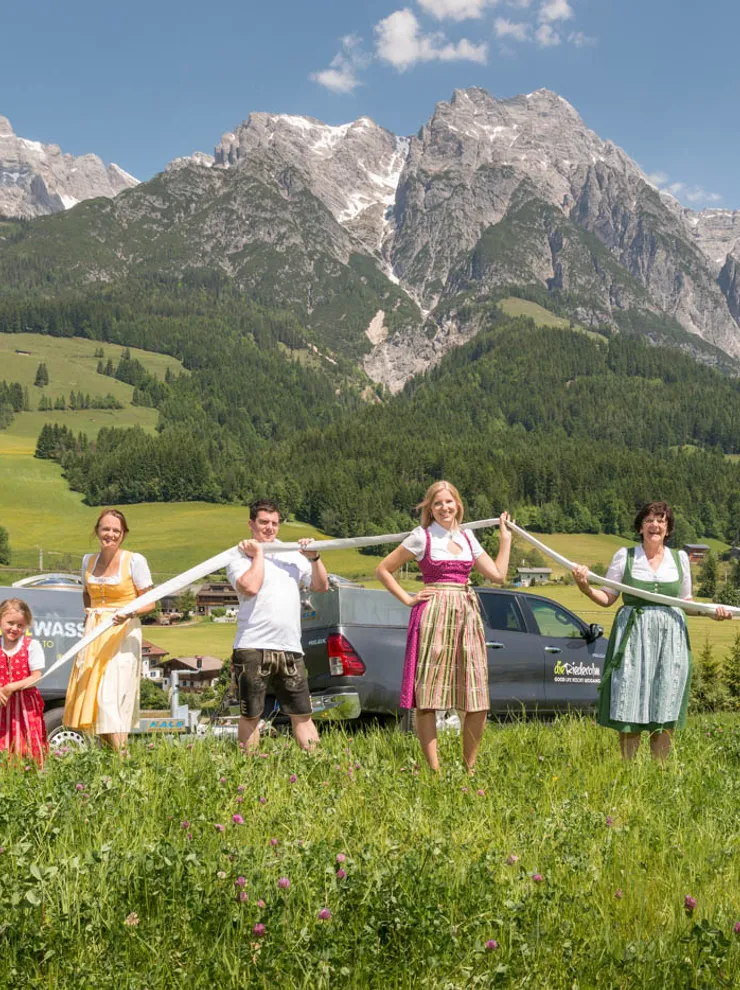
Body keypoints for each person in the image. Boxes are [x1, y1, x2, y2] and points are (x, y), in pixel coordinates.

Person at [573, 501, 732, 761]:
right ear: (640, 527)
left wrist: (713, 612)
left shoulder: (679, 559)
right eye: (649, 520)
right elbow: (608, 597)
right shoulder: (626, 556)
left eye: (661, 521)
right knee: (630, 698)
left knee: (665, 697)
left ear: (668, 529)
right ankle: (628, 771)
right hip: (634, 637)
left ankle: (660, 773)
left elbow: (687, 603)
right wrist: (585, 587)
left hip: (671, 638)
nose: (654, 525)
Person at [375, 481, 512, 772]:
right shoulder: (421, 537)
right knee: (429, 696)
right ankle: (434, 771)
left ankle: (469, 768)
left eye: (449, 502)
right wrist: (409, 599)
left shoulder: (468, 537)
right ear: (430, 508)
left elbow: (498, 575)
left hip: (466, 614)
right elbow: (383, 570)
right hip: (434, 614)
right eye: (437, 503)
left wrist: (506, 540)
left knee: (476, 698)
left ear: (458, 505)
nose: (444, 508)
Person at [226, 499, 329, 753]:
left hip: (290, 647)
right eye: (264, 522)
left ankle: (316, 764)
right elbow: (250, 586)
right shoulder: (238, 555)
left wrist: (314, 558)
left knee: (302, 713)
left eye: (274, 523)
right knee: (251, 714)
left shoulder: (291, 553)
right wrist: (259, 554)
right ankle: (246, 770)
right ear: (251, 524)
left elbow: (320, 586)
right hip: (252, 646)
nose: (270, 528)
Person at [64, 509, 155, 750]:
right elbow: (87, 594)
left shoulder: (135, 561)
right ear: (97, 531)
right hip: (95, 632)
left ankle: (121, 756)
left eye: (116, 530)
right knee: (95, 696)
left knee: (111, 696)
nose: (111, 534)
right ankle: (110, 759)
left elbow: (151, 602)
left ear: (124, 534)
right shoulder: (88, 561)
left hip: (123, 632)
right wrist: (90, 618)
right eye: (106, 529)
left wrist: (129, 611)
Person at [0, 598, 48, 764]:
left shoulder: (31, 645)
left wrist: (12, 687)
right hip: (2, 705)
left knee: (27, 744)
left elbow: (36, 676)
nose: (14, 628)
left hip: (25, 706)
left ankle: (31, 778)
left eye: (20, 625)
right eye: (10, 623)